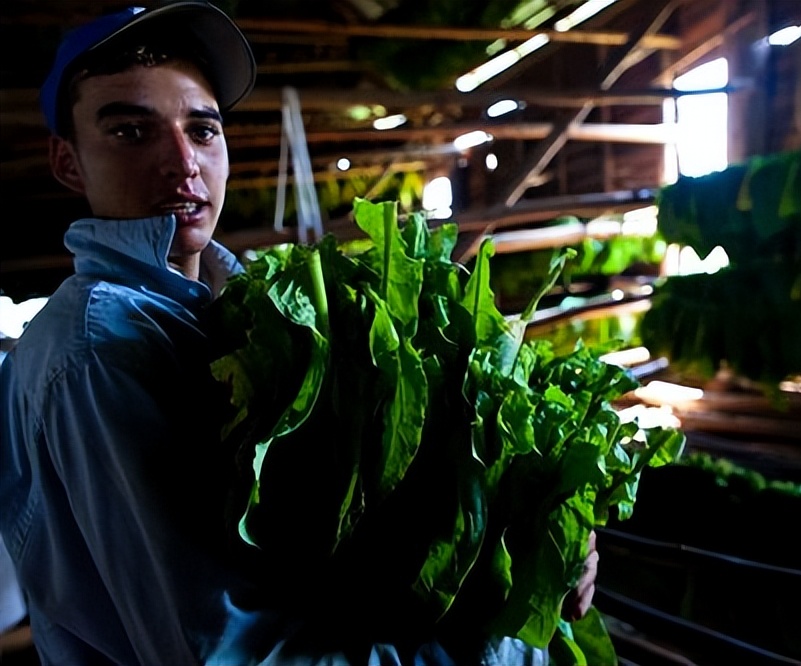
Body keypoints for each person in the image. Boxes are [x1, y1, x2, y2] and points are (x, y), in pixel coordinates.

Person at [0, 2, 597, 665]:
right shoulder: (100, 351)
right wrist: (503, 646)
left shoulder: (238, 318)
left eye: (202, 130)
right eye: (130, 132)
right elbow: (229, 655)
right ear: (67, 163)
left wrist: (534, 552)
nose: (182, 163)